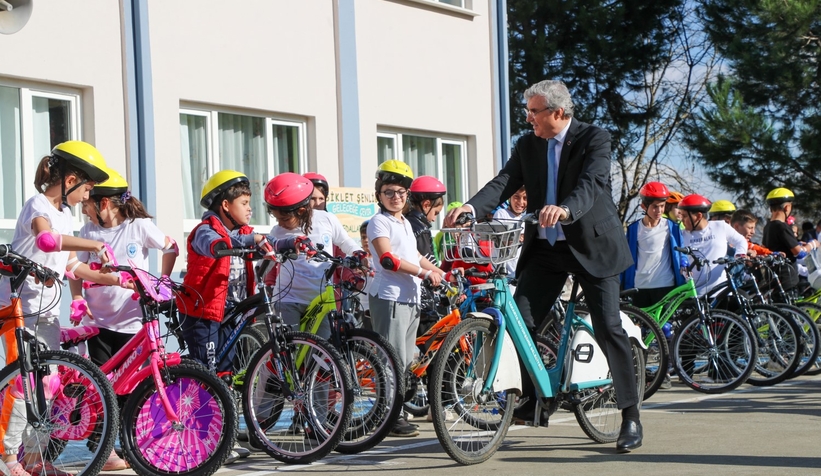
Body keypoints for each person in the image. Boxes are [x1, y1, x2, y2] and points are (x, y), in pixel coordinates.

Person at [444, 80, 642, 452]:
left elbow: (592, 182)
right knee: (520, 318)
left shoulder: (594, 138)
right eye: (528, 111)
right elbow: (504, 181)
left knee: (608, 327)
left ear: (558, 113)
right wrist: (472, 207)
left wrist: (565, 208)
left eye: (534, 111)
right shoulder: (527, 144)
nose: (528, 117)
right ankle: (535, 398)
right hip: (548, 250)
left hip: (593, 246)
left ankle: (630, 414)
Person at [0, 140, 112, 476]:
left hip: (45, 310)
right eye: (87, 188)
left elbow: (72, 267)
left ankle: (34, 459)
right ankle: (7, 458)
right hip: (16, 306)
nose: (87, 197)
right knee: (22, 382)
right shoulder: (38, 206)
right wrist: (95, 242)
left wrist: (114, 280)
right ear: (70, 180)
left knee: (47, 383)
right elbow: (45, 241)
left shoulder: (64, 216)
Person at [68, 168, 178, 471]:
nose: (84, 207)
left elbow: (172, 247)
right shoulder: (88, 232)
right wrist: (77, 298)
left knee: (131, 388)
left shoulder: (139, 226)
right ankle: (102, 448)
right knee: (102, 386)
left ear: (104, 204)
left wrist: (163, 280)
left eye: (88, 203)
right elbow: (74, 267)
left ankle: (134, 442)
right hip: (100, 322)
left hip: (133, 324)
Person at [368, 160, 446, 438]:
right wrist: (425, 274)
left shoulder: (402, 221)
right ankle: (390, 417)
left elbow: (415, 255)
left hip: (409, 298)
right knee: (393, 360)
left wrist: (440, 272)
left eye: (401, 192)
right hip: (390, 297)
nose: (396, 197)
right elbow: (388, 259)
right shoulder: (379, 222)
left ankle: (393, 411)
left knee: (405, 360)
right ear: (379, 194)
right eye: (389, 191)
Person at [264, 172, 363, 340]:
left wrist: (358, 253)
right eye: (277, 218)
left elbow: (344, 241)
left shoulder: (326, 219)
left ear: (302, 210)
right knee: (288, 352)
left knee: (320, 351)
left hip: (321, 299)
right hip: (288, 299)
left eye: (285, 218)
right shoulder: (277, 232)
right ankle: (269, 366)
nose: (280, 223)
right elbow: (266, 263)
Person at [621, 182, 686, 308]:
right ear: (644, 207)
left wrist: (684, 264)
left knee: (665, 327)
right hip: (640, 286)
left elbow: (680, 251)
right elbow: (625, 257)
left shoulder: (671, 227)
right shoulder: (634, 229)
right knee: (639, 327)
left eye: (662, 206)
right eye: (655, 207)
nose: (659, 211)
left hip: (665, 285)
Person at [677, 194, 748, 295]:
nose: (682, 220)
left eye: (685, 216)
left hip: (721, 291)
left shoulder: (720, 226)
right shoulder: (682, 235)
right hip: (696, 292)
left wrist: (740, 255)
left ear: (698, 216)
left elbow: (740, 241)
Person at [761, 188, 818, 288]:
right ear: (787, 207)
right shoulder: (782, 227)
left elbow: (776, 246)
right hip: (786, 277)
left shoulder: (768, 226)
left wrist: (798, 244)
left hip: (772, 276)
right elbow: (799, 253)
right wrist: (812, 244)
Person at [406, 176, 447, 265]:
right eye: (436, 213)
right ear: (426, 205)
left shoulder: (404, 221)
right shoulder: (421, 230)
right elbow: (429, 263)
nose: (434, 219)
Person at [493, 186, 528, 281]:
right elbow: (500, 240)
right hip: (503, 272)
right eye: (516, 197)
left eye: (525, 198)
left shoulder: (525, 219)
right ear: (509, 198)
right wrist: (518, 238)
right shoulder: (502, 214)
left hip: (518, 272)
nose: (521, 202)